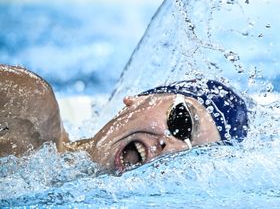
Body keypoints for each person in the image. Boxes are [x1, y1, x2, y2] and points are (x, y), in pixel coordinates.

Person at [0, 64, 248, 174]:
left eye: (189, 157)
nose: (173, 147)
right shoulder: (29, 108)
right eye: (181, 122)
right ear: (139, 99)